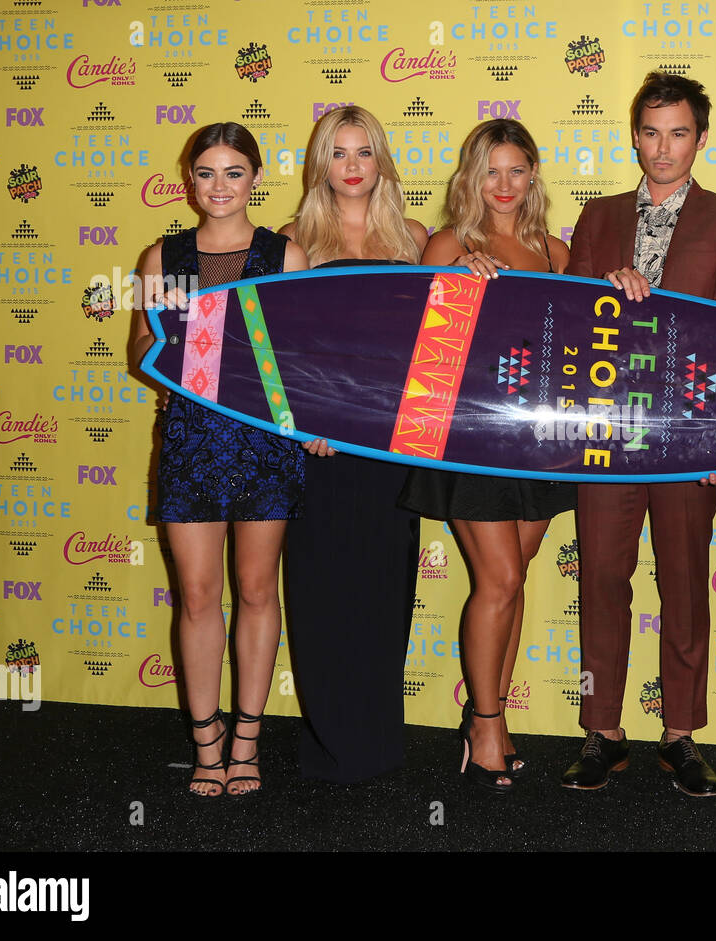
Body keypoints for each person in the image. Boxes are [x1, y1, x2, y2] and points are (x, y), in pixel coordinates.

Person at [559, 71, 716, 797]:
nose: (663, 147)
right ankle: (601, 732)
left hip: (688, 434)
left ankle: (682, 734)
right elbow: (569, 323)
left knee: (683, 583)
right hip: (605, 431)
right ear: (634, 135)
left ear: (701, 139)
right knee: (603, 581)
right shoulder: (598, 214)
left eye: (678, 132)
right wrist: (599, 291)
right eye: (650, 131)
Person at [131, 122, 309, 796]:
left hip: (265, 441)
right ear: (189, 179)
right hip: (190, 441)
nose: (219, 186)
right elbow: (137, 354)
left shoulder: (284, 255)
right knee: (200, 595)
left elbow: (296, 362)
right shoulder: (163, 256)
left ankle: (246, 740)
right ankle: (205, 745)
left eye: (234, 172)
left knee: (258, 591)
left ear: (255, 178)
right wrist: (180, 343)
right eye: (206, 172)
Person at [397, 118, 573, 792]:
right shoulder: (449, 242)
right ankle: (486, 720)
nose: (504, 184)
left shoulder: (557, 252)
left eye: (516, 170)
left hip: (539, 440)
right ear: (471, 178)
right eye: (490, 171)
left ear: (532, 175)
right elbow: (417, 342)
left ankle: (490, 717)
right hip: (468, 436)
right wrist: (450, 279)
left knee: (515, 577)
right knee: (498, 579)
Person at [277, 105, 427, 783]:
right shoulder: (293, 239)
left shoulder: (417, 238)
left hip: (392, 442)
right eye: (338, 153)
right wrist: (307, 419)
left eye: (364, 151)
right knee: (319, 587)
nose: (352, 165)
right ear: (320, 163)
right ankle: (330, 738)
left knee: (384, 586)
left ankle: (375, 738)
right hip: (322, 444)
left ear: (381, 160)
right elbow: (280, 349)